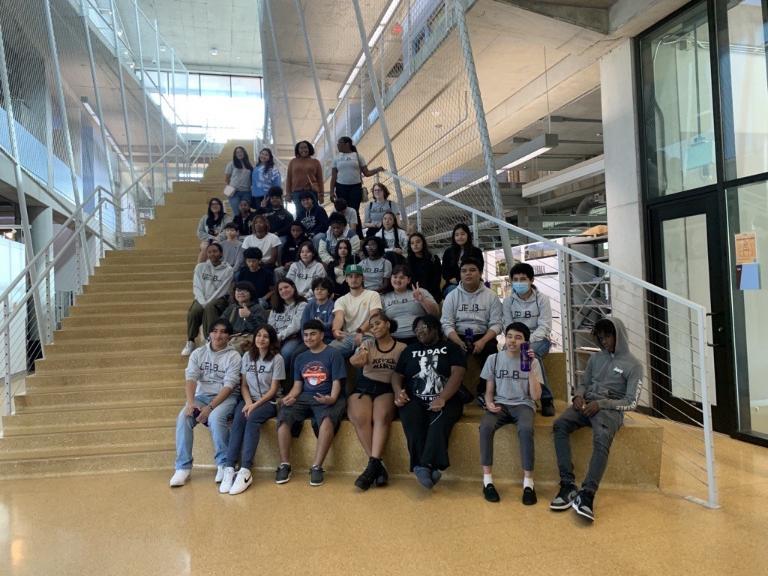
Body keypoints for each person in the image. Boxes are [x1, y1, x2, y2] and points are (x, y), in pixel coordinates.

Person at [550, 317, 642, 523]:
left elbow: (631, 402)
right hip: (586, 403)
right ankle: (567, 485)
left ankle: (587, 494)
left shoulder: (634, 365)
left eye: (607, 336)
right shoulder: (595, 359)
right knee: (559, 425)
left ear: (618, 335)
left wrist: (602, 404)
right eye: (600, 338)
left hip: (609, 409)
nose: (604, 341)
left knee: (601, 437)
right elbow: (583, 382)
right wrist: (578, 396)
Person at [392, 314, 466, 489]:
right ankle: (428, 467)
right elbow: (396, 375)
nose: (419, 332)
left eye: (423, 327)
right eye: (416, 329)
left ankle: (421, 466)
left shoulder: (451, 348)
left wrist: (443, 398)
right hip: (414, 398)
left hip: (448, 399)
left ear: (435, 329)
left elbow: (458, 373)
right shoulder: (410, 350)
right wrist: (398, 392)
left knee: (438, 421)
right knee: (411, 418)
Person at [170, 318, 241, 487]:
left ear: (229, 337)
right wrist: (190, 403)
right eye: (215, 331)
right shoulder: (198, 353)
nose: (218, 335)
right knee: (183, 418)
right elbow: (191, 378)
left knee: (216, 417)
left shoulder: (234, 356)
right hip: (201, 396)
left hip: (225, 397)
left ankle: (223, 464)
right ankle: (183, 467)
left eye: (223, 332)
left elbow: (229, 386)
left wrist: (210, 408)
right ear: (209, 334)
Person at [275, 320, 347, 487]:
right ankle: (285, 464)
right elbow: (297, 386)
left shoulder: (333, 354)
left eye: (313, 334)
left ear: (322, 335)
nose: (308, 337)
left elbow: (337, 382)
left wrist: (332, 398)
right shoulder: (300, 357)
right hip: (305, 396)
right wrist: (290, 397)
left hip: (327, 395)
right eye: (305, 335)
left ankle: (317, 467)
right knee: (284, 415)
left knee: (327, 418)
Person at [479, 322, 543, 505]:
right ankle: (487, 481)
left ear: (525, 342)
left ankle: (528, 483)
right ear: (504, 338)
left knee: (525, 429)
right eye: (509, 336)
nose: (512, 341)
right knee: (485, 427)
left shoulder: (534, 362)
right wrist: (489, 403)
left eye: (518, 337)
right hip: (500, 403)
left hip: (523, 404)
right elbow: (489, 390)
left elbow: (536, 396)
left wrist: (529, 368)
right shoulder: (494, 359)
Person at [218, 324, 283, 495]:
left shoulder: (277, 359)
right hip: (249, 400)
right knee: (239, 418)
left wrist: (254, 405)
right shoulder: (247, 356)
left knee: (252, 418)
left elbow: (273, 390)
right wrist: (247, 403)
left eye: (266, 336)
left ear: (271, 340)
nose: (261, 339)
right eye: (259, 335)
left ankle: (246, 470)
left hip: (269, 402)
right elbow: (244, 385)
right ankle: (230, 467)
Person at [348, 311, 406, 491]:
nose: (374, 328)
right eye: (371, 326)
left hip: (387, 388)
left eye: (378, 323)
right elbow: (355, 361)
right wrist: (358, 359)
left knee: (381, 417)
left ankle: (373, 467)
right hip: (364, 387)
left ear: (388, 324)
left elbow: (403, 374)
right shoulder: (367, 344)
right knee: (360, 418)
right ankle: (377, 466)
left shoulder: (402, 347)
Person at [440, 256, 503, 401]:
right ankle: (457, 389)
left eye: (472, 270)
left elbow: (497, 324)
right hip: (458, 336)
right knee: (448, 354)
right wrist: (457, 341)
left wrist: (482, 341)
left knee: (492, 355)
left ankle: (483, 392)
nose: (468, 273)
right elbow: (446, 323)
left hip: (483, 335)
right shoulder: (452, 296)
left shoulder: (491, 296)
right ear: (460, 274)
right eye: (464, 271)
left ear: (480, 273)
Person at [502, 262, 556, 416]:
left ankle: (546, 398)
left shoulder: (542, 299)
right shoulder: (508, 302)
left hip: (540, 339)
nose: (519, 282)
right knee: (503, 354)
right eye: (516, 279)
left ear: (532, 280)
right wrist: (517, 340)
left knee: (531, 354)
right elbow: (508, 325)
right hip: (516, 338)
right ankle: (507, 396)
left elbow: (545, 326)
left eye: (523, 279)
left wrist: (525, 342)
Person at [183, 243, 234, 357]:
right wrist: (202, 301)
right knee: (194, 310)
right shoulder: (200, 267)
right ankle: (190, 341)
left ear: (221, 253)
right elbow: (197, 286)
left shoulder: (228, 270)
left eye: (215, 251)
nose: (212, 254)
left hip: (219, 299)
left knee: (210, 308)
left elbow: (222, 289)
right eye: (209, 252)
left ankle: (209, 340)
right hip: (201, 298)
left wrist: (208, 302)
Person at [329, 136, 383, 230]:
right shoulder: (336, 158)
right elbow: (333, 177)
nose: (337, 145)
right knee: (341, 210)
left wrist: (377, 170)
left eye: (339, 143)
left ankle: (357, 234)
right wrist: (331, 192)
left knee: (354, 210)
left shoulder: (358, 156)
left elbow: (366, 173)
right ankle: (341, 231)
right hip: (341, 187)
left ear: (347, 144)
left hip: (355, 187)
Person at [329, 264, 382, 358]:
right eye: (350, 276)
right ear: (346, 279)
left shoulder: (373, 295)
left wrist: (361, 331)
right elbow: (338, 317)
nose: (354, 279)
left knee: (361, 354)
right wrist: (335, 330)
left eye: (357, 276)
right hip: (347, 337)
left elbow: (374, 315)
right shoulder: (341, 300)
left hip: (368, 336)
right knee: (328, 352)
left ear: (363, 278)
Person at [382, 265, 439, 345]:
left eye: (401, 277)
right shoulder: (384, 297)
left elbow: (435, 314)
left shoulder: (420, 291)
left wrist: (422, 300)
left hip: (420, 338)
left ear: (408, 280)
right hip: (394, 340)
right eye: (395, 277)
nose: (398, 280)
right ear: (391, 278)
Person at [268, 279, 308, 376]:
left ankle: (278, 381)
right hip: (276, 337)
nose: (283, 291)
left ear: (293, 287)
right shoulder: (276, 307)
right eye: (280, 289)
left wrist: (279, 337)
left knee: (285, 353)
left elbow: (296, 325)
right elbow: (270, 325)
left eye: (286, 287)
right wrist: (272, 337)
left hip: (293, 337)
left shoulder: (302, 305)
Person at [219, 281, 268, 354]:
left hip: (248, 338)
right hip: (231, 337)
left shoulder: (257, 308)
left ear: (251, 293)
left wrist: (249, 316)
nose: (240, 293)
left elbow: (260, 330)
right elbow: (221, 323)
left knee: (231, 350)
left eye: (244, 290)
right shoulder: (232, 307)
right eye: (238, 290)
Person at [440, 223, 483, 297]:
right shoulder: (448, 252)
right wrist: (455, 280)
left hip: (472, 284)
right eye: (457, 235)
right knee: (454, 292)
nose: (460, 237)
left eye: (462, 234)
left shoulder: (476, 252)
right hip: (453, 285)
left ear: (468, 235)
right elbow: (444, 272)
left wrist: (458, 279)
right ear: (454, 237)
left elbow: (479, 269)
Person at [285, 140, 324, 211]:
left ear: (309, 149)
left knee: (313, 213)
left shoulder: (315, 162)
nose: (303, 150)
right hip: (297, 193)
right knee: (300, 214)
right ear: (298, 150)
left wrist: (321, 194)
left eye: (305, 147)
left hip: (312, 192)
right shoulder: (293, 162)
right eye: (301, 148)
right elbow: (289, 178)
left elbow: (320, 179)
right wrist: (288, 194)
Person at [407, 232, 442, 303]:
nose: (415, 245)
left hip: (432, 293)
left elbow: (437, 279)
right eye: (412, 243)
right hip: (414, 294)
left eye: (418, 242)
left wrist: (426, 294)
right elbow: (410, 281)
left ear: (423, 243)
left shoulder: (433, 259)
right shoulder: (408, 261)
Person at [300, 277, 335, 343]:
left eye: (322, 289)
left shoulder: (332, 306)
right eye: (316, 289)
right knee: (294, 353)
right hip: (308, 339)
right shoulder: (309, 305)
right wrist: (305, 339)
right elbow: (303, 325)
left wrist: (321, 324)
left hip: (326, 339)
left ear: (328, 292)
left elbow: (330, 325)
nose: (319, 291)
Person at [225, 146, 253, 214]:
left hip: (246, 192)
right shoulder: (231, 164)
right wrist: (229, 189)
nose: (239, 153)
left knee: (246, 212)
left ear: (244, 153)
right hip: (234, 192)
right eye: (237, 152)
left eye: (241, 152)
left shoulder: (249, 164)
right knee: (237, 212)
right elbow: (227, 178)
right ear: (235, 154)